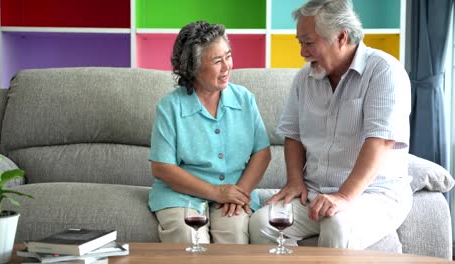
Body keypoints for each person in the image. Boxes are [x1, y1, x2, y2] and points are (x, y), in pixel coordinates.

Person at [249, 0, 413, 250]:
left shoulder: (384, 71)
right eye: (300, 42)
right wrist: (295, 181)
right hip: (315, 193)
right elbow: (292, 134)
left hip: (374, 194)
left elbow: (380, 140)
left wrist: (344, 196)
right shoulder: (304, 78)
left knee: (336, 223)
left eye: (309, 42)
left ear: (341, 36)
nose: (302, 52)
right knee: (262, 222)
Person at [148, 20, 271, 244]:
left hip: (234, 191)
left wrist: (239, 192)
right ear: (192, 67)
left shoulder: (244, 99)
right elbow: (162, 167)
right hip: (180, 194)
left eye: (228, 56)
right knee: (189, 237)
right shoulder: (170, 107)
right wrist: (216, 192)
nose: (227, 66)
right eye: (217, 61)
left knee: (233, 235)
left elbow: (262, 152)